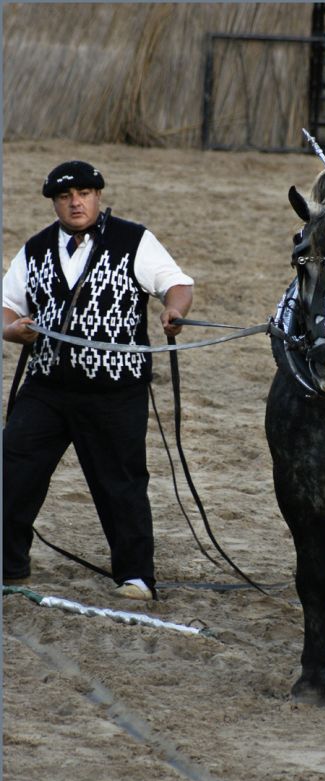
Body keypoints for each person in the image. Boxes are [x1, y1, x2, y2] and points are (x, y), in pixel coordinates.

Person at [3, 160, 194, 601]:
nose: (76, 202)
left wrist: (174, 310)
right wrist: (13, 331)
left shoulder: (133, 240)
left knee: (121, 483)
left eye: (84, 193)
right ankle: (9, 566)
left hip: (114, 390)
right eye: (66, 196)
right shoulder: (34, 249)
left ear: (98, 196)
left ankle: (136, 577)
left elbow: (175, 283)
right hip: (47, 385)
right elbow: (7, 306)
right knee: (12, 468)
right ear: (54, 202)